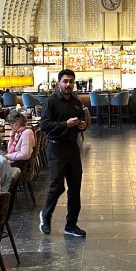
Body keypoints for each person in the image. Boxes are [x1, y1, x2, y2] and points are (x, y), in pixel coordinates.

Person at [39, 68, 87, 238]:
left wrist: (82, 126)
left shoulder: (76, 101)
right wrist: (65, 124)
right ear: (59, 83)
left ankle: (71, 224)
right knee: (57, 185)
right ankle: (45, 216)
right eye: (65, 81)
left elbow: (82, 121)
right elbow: (44, 125)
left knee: (75, 187)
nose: (68, 84)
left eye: (71, 81)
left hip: (72, 147)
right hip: (55, 147)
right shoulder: (50, 102)